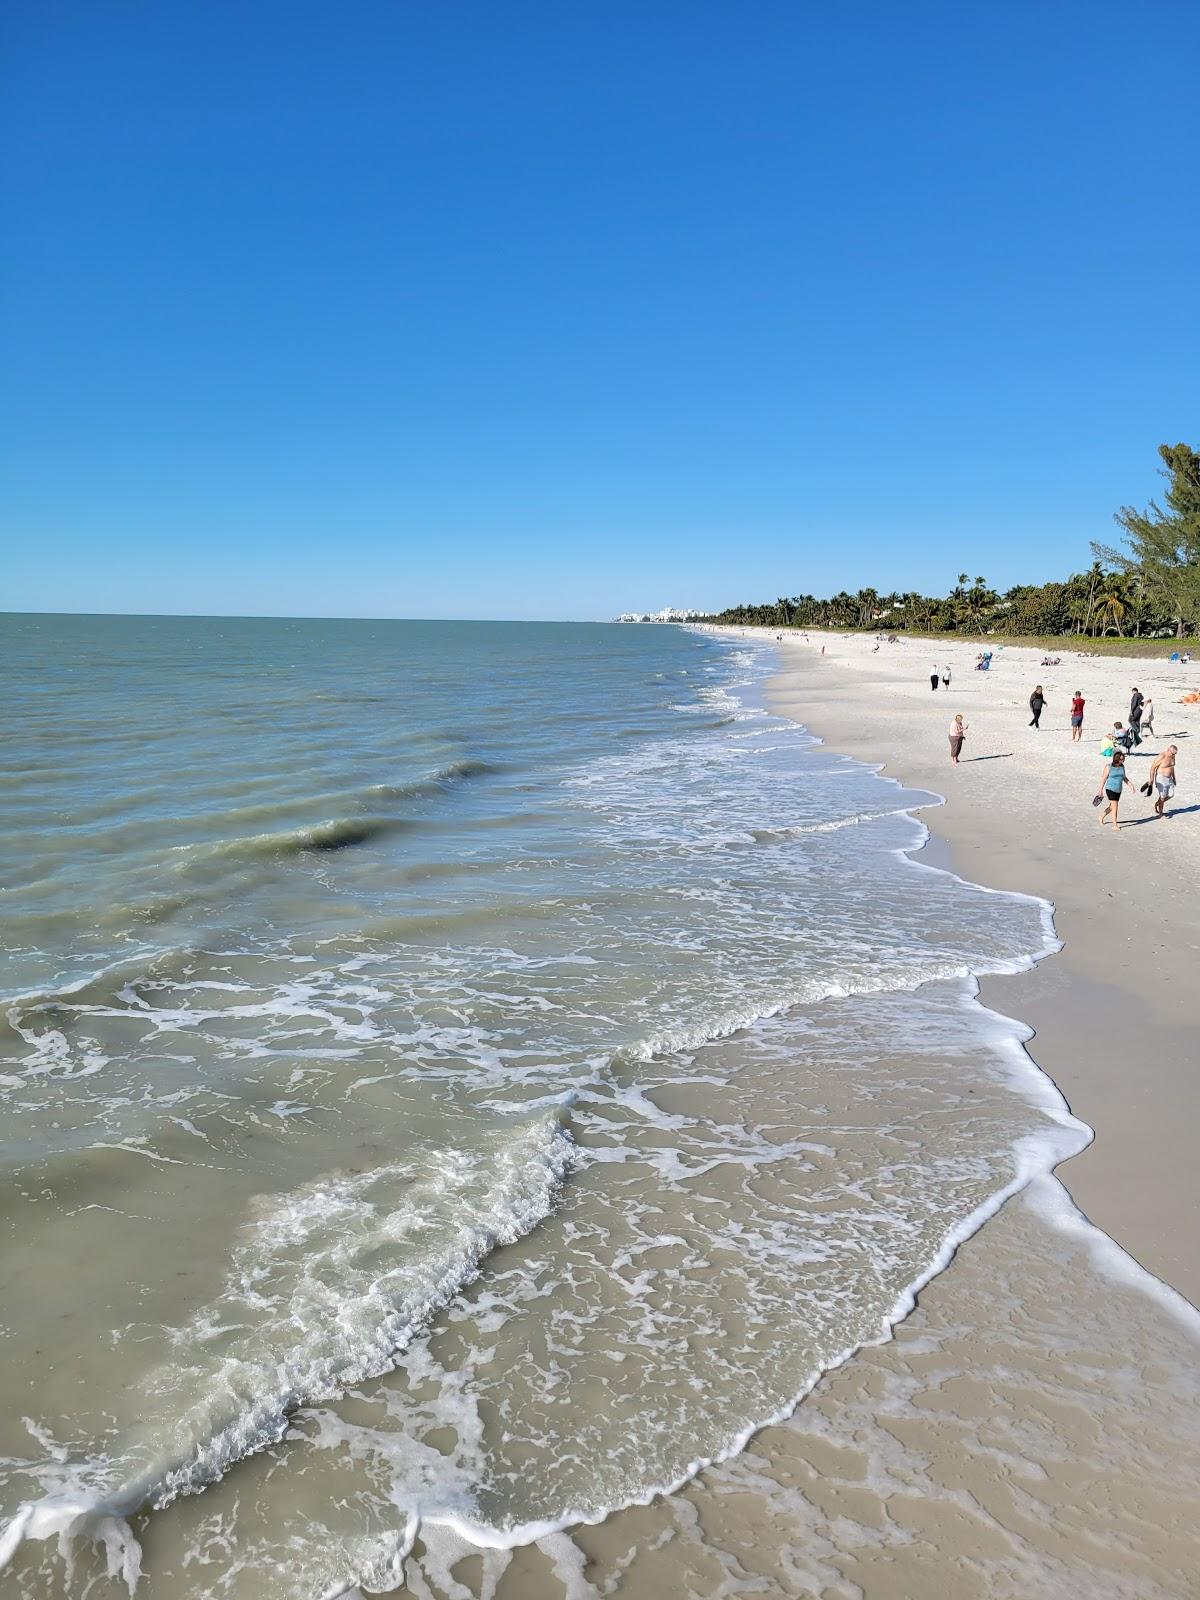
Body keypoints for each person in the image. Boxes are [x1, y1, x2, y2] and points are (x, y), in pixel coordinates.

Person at [1097, 748, 1131, 830]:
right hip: (1110, 789)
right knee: (1115, 806)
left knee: (1112, 806)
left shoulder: (1122, 766)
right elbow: (1103, 778)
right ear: (1116, 759)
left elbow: (1124, 777)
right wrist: (1100, 790)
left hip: (1118, 789)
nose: (1123, 761)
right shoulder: (1108, 767)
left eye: (1123, 759)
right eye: (1121, 759)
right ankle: (1114, 825)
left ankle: (1101, 816)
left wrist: (1131, 785)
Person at [1147, 744, 1177, 817]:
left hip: (1169, 778)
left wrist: (1174, 778)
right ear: (1168, 750)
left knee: (1171, 794)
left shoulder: (1173, 756)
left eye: (1175, 754)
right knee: (1163, 796)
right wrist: (1151, 779)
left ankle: (1157, 803)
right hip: (1161, 778)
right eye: (1173, 753)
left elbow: (1172, 767)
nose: (1173, 755)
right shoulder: (1162, 756)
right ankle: (1160, 813)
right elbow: (1152, 767)